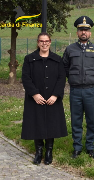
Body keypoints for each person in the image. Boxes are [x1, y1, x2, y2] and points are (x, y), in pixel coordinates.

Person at [62, 16, 94, 159]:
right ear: (77, 32)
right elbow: (65, 67)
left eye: (86, 30)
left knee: (91, 119)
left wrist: (92, 79)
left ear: (90, 33)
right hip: (75, 90)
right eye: (81, 30)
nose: (83, 32)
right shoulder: (70, 49)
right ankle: (77, 147)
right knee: (76, 119)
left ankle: (90, 147)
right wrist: (73, 79)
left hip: (91, 90)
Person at [21, 32, 68, 165]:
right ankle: (39, 151)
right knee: (37, 123)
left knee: (51, 124)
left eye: (46, 41)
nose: (44, 43)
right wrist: (34, 94)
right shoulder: (29, 59)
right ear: (38, 43)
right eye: (41, 41)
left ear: (50, 42)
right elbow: (26, 78)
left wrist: (55, 95)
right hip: (35, 98)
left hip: (52, 98)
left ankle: (49, 151)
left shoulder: (57, 59)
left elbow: (61, 78)